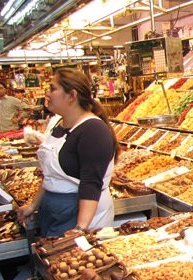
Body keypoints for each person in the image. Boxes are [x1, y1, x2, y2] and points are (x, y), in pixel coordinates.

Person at [17, 68, 119, 237]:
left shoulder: (93, 130)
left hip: (80, 213)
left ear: (72, 96)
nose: (47, 93)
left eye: (52, 88)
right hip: (54, 212)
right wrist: (34, 205)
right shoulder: (58, 123)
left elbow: (91, 184)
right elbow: (51, 176)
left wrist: (80, 229)